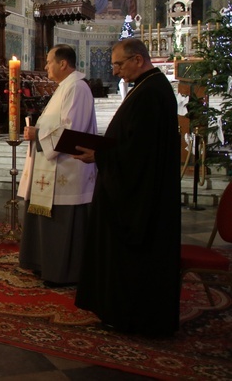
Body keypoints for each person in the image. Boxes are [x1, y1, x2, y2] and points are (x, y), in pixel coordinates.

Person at [73, 38, 181, 336]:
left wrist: (101, 154)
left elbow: (139, 152)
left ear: (137, 60)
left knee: (130, 259)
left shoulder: (150, 93)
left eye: (119, 64)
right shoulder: (149, 88)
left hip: (140, 196)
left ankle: (131, 315)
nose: (116, 71)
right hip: (139, 186)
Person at [17, 45, 97, 286]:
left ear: (63, 64)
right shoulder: (66, 87)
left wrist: (37, 134)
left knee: (63, 225)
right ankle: (45, 265)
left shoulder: (76, 87)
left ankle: (62, 271)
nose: (45, 66)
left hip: (68, 171)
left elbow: (71, 130)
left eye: (49, 61)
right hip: (55, 169)